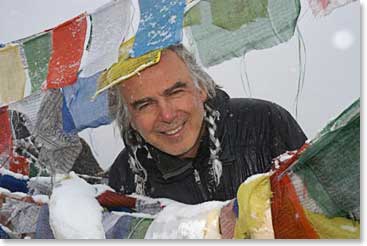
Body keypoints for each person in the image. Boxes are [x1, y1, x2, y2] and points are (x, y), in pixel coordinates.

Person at [108, 44, 307, 204]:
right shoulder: (125, 175)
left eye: (175, 92)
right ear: (129, 119)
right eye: (145, 105)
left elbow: (321, 207)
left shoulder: (265, 123)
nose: (167, 115)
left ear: (201, 88)